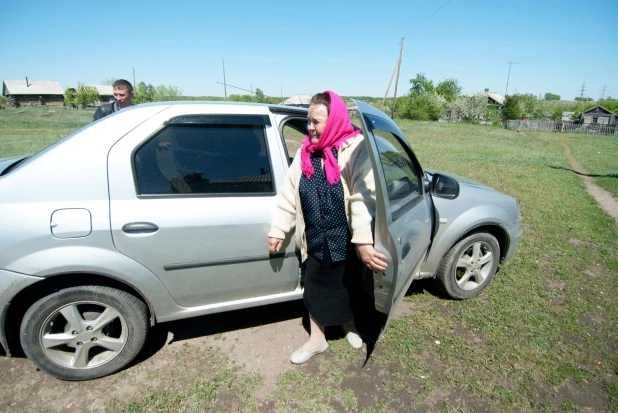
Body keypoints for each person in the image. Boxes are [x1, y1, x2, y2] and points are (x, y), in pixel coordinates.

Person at [268, 91, 388, 364]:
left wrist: (362, 240)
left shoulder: (353, 149)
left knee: (348, 286)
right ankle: (317, 339)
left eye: (316, 122)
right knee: (313, 286)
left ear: (333, 121)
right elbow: (289, 194)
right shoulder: (304, 154)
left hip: (344, 238)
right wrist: (278, 230)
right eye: (309, 121)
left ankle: (349, 325)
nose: (309, 127)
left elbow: (361, 197)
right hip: (314, 237)